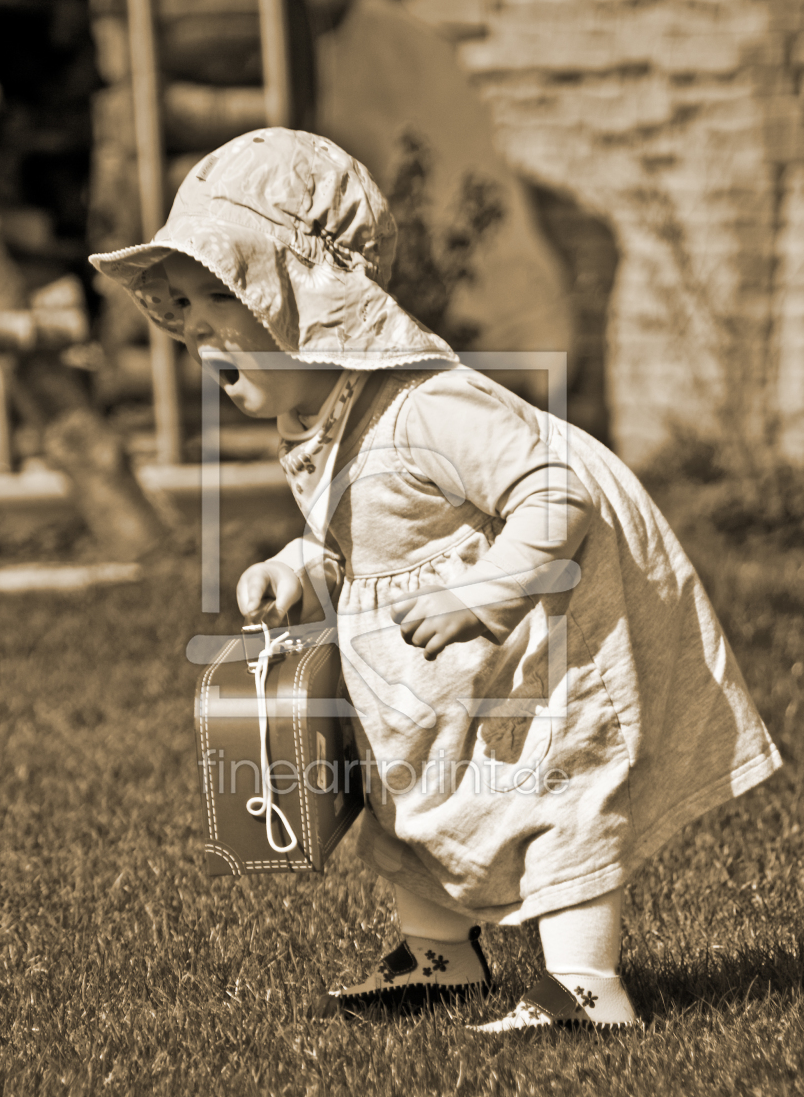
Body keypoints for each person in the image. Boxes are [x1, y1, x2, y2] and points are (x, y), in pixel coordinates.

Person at [90, 129, 782, 1033]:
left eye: (225, 294)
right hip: (423, 673)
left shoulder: (430, 405)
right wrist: (298, 566)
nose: (199, 330)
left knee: (552, 797)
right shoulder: (321, 417)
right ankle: (440, 956)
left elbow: (552, 486)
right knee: (404, 809)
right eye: (183, 304)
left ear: (312, 298)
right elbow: (357, 533)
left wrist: (488, 591)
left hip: (528, 652)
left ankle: (585, 984)